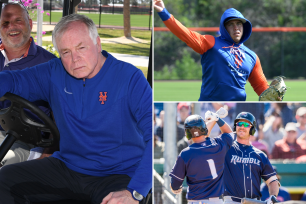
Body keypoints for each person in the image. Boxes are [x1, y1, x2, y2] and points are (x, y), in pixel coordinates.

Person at [0, 14, 152, 204]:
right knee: (5, 179)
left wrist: (136, 191)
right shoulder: (54, 72)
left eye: (81, 48)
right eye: (65, 52)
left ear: (97, 43)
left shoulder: (130, 78)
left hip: (117, 174)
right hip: (67, 167)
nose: (75, 59)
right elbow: (13, 81)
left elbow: (152, 136)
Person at [154, 0, 270, 101]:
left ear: (244, 27)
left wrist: (274, 97)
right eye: (231, 24)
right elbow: (184, 33)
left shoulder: (252, 57)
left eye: (239, 23)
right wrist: (163, 12)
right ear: (224, 28)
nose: (236, 28)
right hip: (209, 103)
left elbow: (261, 86)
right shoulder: (210, 43)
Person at [0, 3, 57, 166]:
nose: (11, 27)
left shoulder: (49, 64)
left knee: (5, 164)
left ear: (30, 24)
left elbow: (62, 116)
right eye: (5, 23)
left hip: (30, 141)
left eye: (18, 20)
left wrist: (49, 152)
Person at [169, 111, 235, 203]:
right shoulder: (218, 145)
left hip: (196, 201)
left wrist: (176, 188)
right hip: (216, 201)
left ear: (187, 132)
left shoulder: (185, 153)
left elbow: (175, 184)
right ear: (204, 129)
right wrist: (217, 119)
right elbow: (230, 134)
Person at [222, 112, 280, 204]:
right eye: (239, 124)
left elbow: (273, 180)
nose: (242, 127)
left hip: (255, 202)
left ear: (252, 129)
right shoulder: (226, 149)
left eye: (246, 124)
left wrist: (273, 196)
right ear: (235, 127)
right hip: (232, 201)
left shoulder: (260, 155)